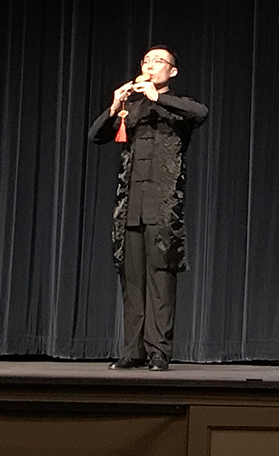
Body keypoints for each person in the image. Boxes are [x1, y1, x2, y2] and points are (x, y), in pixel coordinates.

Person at [88, 44, 208, 371]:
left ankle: (159, 352)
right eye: (147, 60)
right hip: (130, 207)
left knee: (160, 283)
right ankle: (133, 351)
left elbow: (201, 113)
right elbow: (96, 135)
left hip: (162, 207)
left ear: (172, 71)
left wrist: (157, 97)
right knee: (133, 283)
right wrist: (115, 106)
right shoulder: (132, 107)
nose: (151, 65)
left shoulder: (176, 107)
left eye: (159, 61)